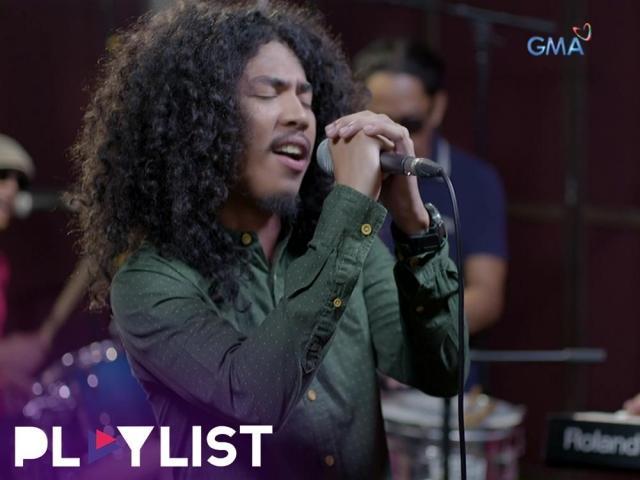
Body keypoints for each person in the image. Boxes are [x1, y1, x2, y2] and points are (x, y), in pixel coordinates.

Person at [71, 2, 468, 478]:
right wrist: (351, 208)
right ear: (203, 118)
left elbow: (445, 370)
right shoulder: (150, 281)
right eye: (269, 92)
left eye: (306, 97)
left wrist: (415, 227)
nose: (300, 115)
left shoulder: (349, 245)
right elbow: (254, 397)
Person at [354, 39, 508, 336]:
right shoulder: (337, 175)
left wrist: (409, 339)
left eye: (410, 125)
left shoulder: (475, 182)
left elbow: (486, 296)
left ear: (437, 108)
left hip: (429, 351)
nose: (396, 140)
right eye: (380, 124)